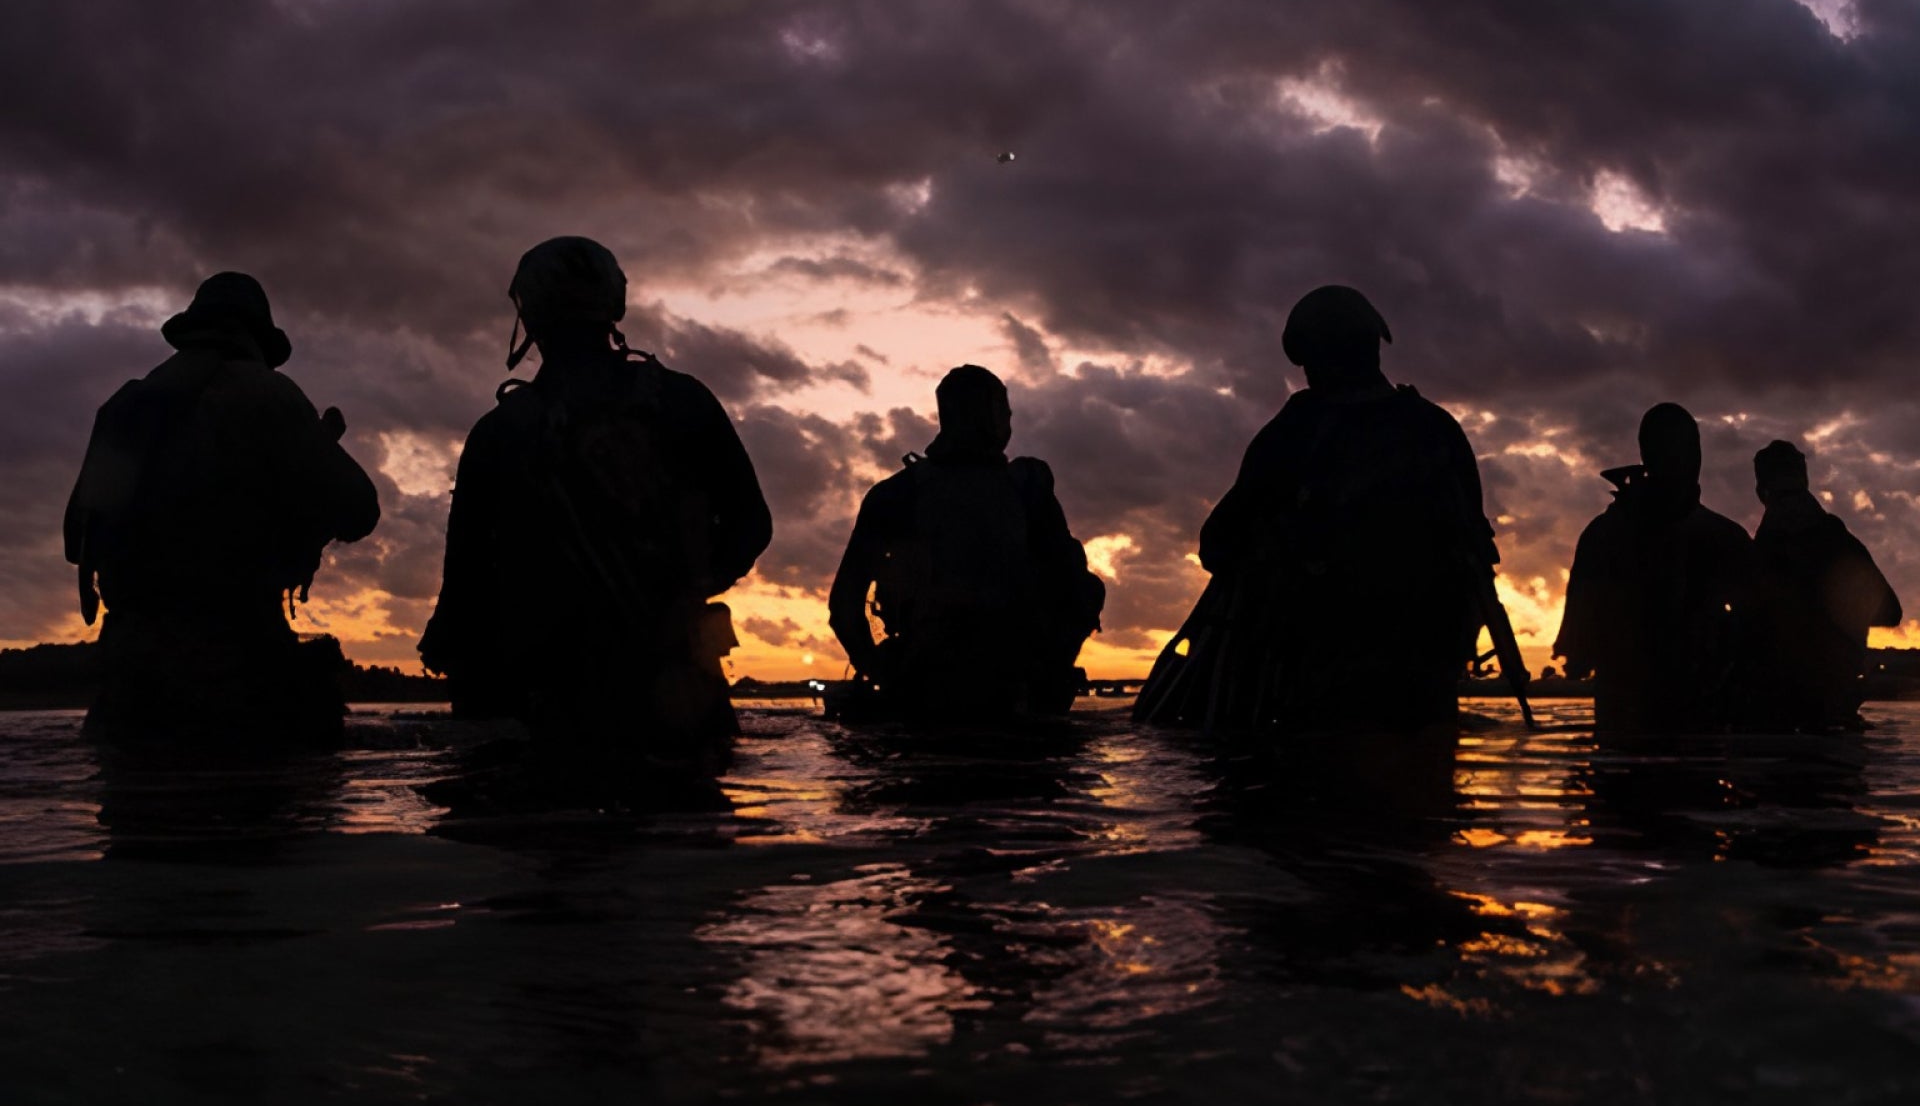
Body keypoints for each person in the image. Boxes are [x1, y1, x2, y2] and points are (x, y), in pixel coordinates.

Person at [419, 236, 771, 773]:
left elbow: (461, 591)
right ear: (616, 304)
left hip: (551, 705)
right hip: (678, 692)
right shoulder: (682, 399)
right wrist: (684, 595)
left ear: (529, 315)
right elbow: (752, 525)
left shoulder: (500, 432)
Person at [1135, 285, 1499, 752]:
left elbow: (1219, 543)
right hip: (1424, 676)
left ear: (1311, 356)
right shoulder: (1437, 427)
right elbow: (1475, 549)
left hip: (1317, 679)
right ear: (1373, 346)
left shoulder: (1296, 432)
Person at [64, 270, 380, 746]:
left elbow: (77, 541)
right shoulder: (271, 396)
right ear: (257, 335)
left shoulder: (127, 405)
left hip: (132, 684)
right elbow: (361, 510)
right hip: (242, 678)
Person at [827, 365, 1105, 719]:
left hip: (922, 679)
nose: (1009, 424)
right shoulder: (1027, 488)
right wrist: (1051, 668)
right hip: (1013, 680)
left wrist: (884, 676)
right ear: (993, 415)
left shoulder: (893, 493)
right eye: (1005, 413)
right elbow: (1075, 589)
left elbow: (844, 609)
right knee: (1091, 586)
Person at [1554, 402, 1751, 739]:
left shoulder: (1601, 533)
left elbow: (1578, 653)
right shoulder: (1723, 536)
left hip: (1642, 717)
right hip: (1687, 720)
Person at [1738, 438, 1901, 731]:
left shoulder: (1758, 552)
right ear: (1805, 481)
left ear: (1761, 492)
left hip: (1777, 719)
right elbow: (1890, 612)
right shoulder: (1837, 541)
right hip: (1830, 713)